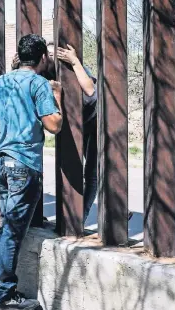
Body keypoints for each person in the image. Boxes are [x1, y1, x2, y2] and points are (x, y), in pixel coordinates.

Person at [0, 34, 63, 310]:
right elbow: (54, 125)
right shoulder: (39, 84)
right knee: (12, 233)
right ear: (43, 58)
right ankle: (4, 293)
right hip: (24, 165)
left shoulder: (0, 81)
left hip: (1, 163)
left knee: (7, 228)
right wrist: (58, 98)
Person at [12, 41, 132, 224]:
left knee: (94, 172)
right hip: (76, 124)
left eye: (55, 54)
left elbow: (92, 92)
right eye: (49, 54)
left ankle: (86, 218)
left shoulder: (70, 67)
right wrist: (15, 67)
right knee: (78, 170)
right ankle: (118, 210)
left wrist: (75, 62)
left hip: (97, 119)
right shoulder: (40, 76)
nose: (52, 57)